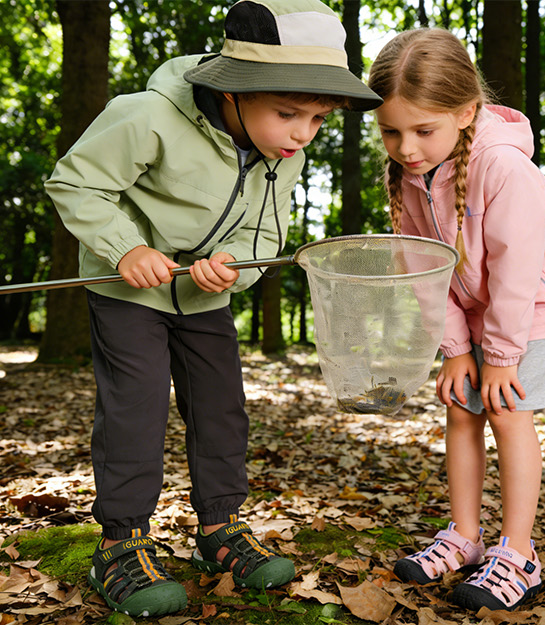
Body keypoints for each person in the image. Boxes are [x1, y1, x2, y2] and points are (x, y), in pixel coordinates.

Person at [44, 0, 381, 617]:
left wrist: (233, 266)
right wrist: (127, 247)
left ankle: (219, 531)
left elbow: (263, 239)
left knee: (221, 405)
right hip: (127, 292)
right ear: (233, 94)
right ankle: (120, 544)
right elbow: (75, 182)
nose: (303, 134)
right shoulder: (146, 116)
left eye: (318, 119)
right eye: (288, 114)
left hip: (203, 298)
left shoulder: (284, 156)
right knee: (136, 405)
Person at [367, 28, 545, 612]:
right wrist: (456, 347)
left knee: (504, 409)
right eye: (391, 131)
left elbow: (517, 271)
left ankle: (518, 552)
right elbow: (422, 264)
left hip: (529, 311)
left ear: (466, 112)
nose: (406, 147)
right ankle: (466, 536)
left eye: (423, 130)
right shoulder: (411, 172)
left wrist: (500, 356)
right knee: (460, 408)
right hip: (469, 310)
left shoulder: (504, 167)